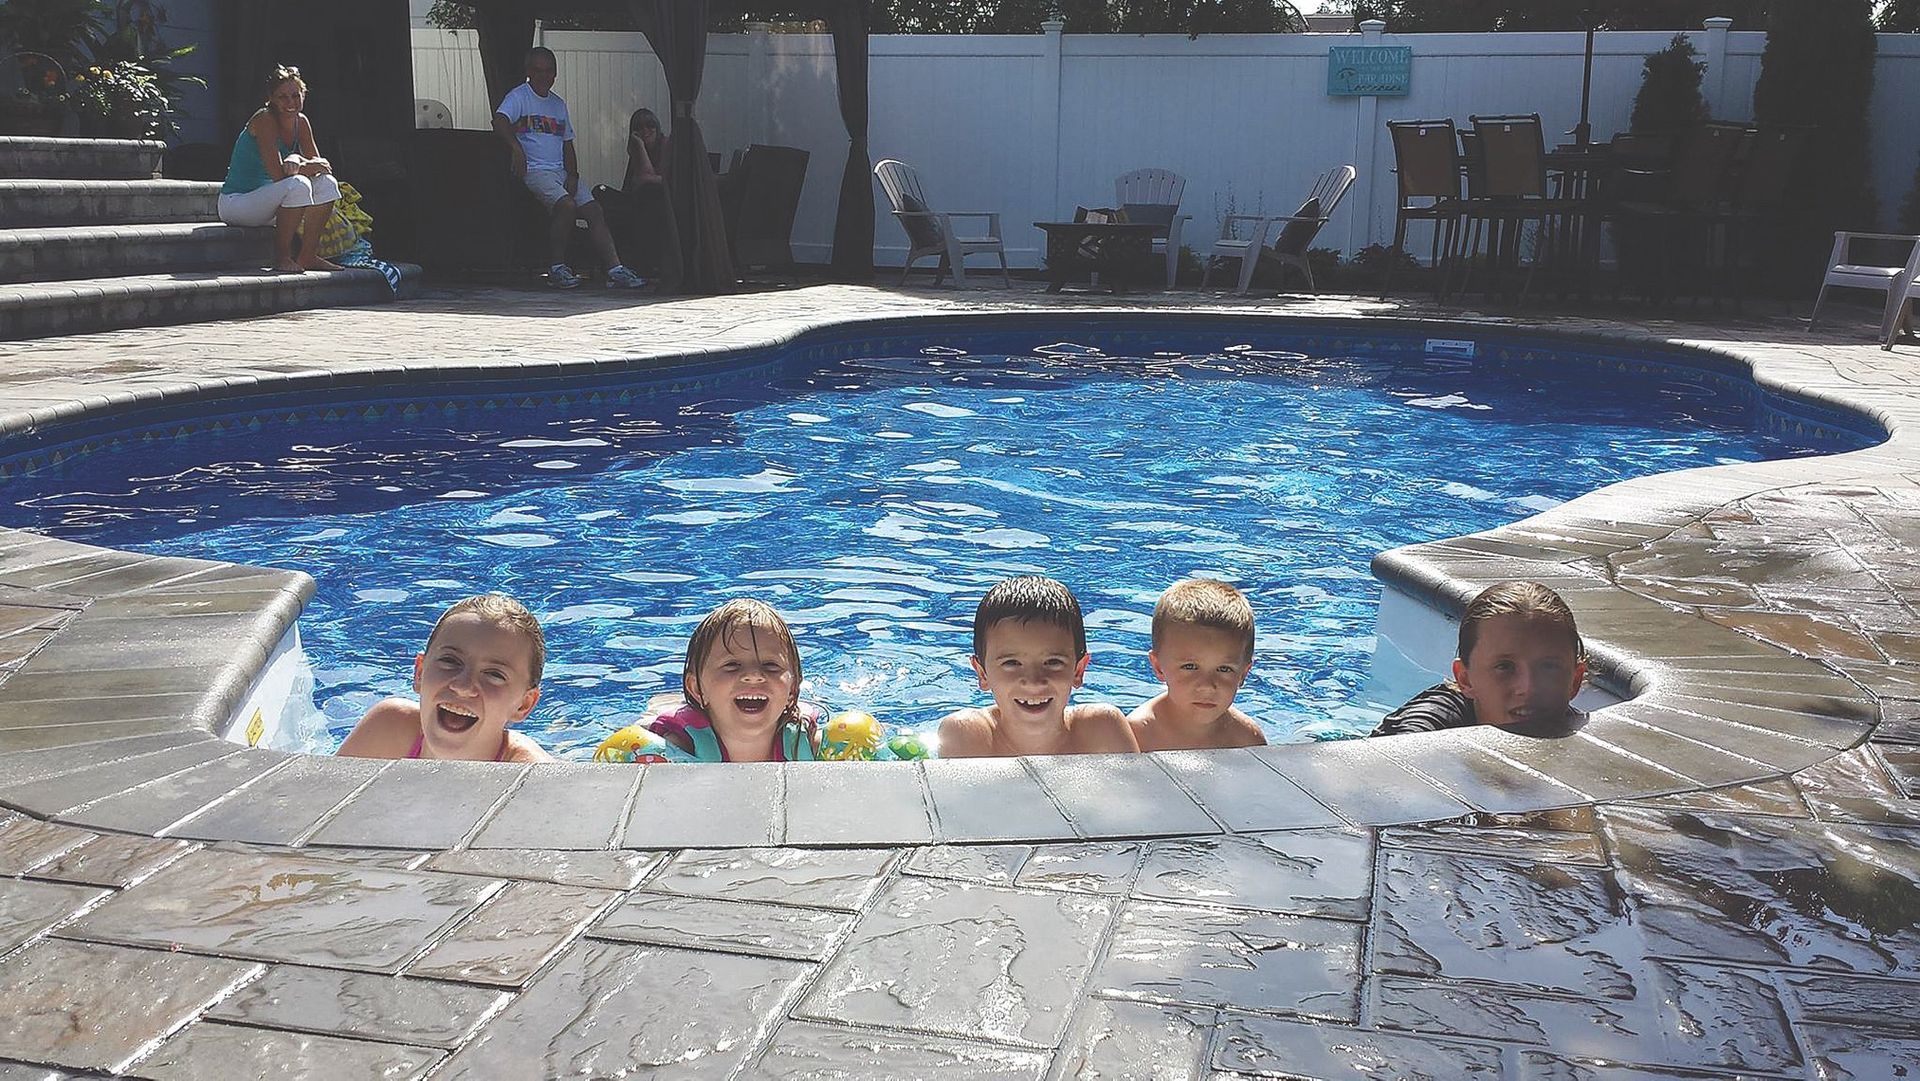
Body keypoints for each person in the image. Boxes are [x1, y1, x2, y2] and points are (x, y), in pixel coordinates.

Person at [492, 46, 648, 290]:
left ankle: (615, 269)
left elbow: (567, 143)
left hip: (560, 172)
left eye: (549, 71)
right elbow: (499, 120)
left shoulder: (558, 104)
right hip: (535, 171)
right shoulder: (518, 97)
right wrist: (516, 148)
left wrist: (573, 173)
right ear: (528, 72)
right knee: (566, 205)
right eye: (538, 70)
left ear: (555, 74)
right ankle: (557, 268)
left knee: (594, 209)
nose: (544, 76)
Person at [939, 576, 1138, 758]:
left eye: (1052, 662)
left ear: (1078, 670)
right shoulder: (969, 735)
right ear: (982, 674)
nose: (1034, 682)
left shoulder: (1102, 730)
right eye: (1012, 663)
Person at [339, 594, 554, 762]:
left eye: (494, 674)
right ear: (420, 673)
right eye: (450, 661)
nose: (463, 686)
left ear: (524, 705)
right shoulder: (388, 730)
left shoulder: (531, 779)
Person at [1369, 580, 1588, 738]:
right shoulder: (1430, 724)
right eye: (1504, 666)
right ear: (1465, 679)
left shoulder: (1582, 735)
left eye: (1548, 667)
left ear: (1575, 680)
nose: (1527, 688)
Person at [640, 599, 822, 762]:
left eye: (770, 665)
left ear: (792, 689)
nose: (754, 675)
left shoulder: (803, 742)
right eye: (732, 665)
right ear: (697, 689)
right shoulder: (680, 745)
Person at [217, 65, 343, 275]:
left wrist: (298, 160)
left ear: (304, 94)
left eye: (295, 95)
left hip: (272, 201)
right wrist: (304, 165)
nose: (290, 103)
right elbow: (279, 175)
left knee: (327, 184)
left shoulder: (301, 122)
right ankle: (282, 257)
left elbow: (321, 168)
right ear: (272, 99)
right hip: (237, 203)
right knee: (298, 185)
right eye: (283, 97)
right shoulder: (264, 119)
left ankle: (307, 255)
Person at [1129, 579, 1267, 751]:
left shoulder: (1246, 738)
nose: (1207, 686)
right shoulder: (1137, 735)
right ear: (1158, 667)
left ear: (1243, 674)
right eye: (1190, 667)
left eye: (1224, 669)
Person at [593, 107, 672, 279]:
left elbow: (649, 178)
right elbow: (634, 185)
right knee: (599, 192)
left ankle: (641, 262)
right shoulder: (636, 148)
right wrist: (639, 147)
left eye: (650, 125)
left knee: (646, 199)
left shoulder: (666, 145)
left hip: (661, 205)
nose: (645, 130)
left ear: (657, 128)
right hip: (638, 202)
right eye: (639, 127)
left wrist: (641, 150)